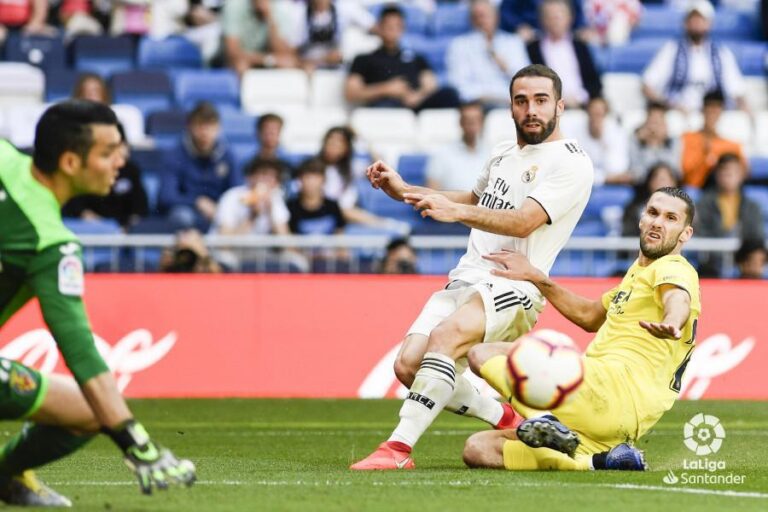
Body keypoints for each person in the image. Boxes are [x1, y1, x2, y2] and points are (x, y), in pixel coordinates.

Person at [350, 64, 594, 470]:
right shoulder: (503, 152)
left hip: (514, 282)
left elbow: (524, 221)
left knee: (445, 338)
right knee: (409, 366)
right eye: (521, 101)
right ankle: (507, 417)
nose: (531, 109)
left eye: (541, 100)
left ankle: (397, 449)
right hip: (467, 275)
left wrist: (457, 212)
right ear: (510, 107)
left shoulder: (572, 162)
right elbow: (474, 200)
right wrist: (405, 191)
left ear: (560, 106)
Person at [0, 100, 195, 506]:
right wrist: (137, 444)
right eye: (108, 153)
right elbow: (81, 353)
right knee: (96, 408)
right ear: (71, 162)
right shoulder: (50, 246)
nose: (121, 162)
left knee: (88, 410)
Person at [462, 186, 699, 472]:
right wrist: (536, 276)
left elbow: (678, 299)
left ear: (685, 234)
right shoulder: (638, 275)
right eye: (653, 213)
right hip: (618, 420)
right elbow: (589, 315)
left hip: (610, 388)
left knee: (483, 354)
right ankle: (598, 461)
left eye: (671, 218)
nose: (658, 222)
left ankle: (543, 418)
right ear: (641, 219)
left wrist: (672, 321)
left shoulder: (674, 267)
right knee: (479, 449)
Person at [344, 4, 459, 111]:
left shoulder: (417, 58)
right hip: (384, 104)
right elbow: (351, 93)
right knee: (386, 106)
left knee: (449, 95)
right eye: (389, 26)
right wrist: (386, 89)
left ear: (403, 28)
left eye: (397, 26)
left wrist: (417, 96)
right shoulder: (363, 59)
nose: (393, 30)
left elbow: (430, 85)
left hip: (414, 104)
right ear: (380, 27)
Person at [642, 0, 747, 113]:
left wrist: (746, 111)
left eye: (700, 19)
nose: (696, 23)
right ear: (685, 23)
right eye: (692, 19)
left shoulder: (721, 53)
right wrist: (670, 105)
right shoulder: (671, 49)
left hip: (711, 115)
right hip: (677, 115)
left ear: (709, 23)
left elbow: (737, 90)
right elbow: (647, 85)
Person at [159, 102, 239, 231]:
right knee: (182, 216)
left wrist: (220, 211)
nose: (204, 133)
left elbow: (236, 194)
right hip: (188, 212)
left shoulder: (228, 156)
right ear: (189, 126)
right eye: (200, 126)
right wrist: (197, 202)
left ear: (219, 128)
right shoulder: (174, 156)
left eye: (210, 126)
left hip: (219, 213)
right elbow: (166, 196)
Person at [62, 124, 149, 229]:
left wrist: (128, 228)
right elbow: (75, 205)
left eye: (118, 145)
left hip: (123, 231)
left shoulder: (131, 171)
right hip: (90, 230)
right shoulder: (85, 170)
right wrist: (92, 220)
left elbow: (139, 209)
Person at [445, 0, 530, 108]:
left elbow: (526, 80)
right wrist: (484, 98)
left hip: (510, 104)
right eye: (477, 16)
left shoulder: (513, 43)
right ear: (471, 19)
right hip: (476, 105)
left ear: (496, 17)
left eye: (485, 16)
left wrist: (505, 66)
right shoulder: (459, 45)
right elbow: (458, 84)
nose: (481, 21)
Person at [695, 153, 764, 277]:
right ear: (717, 174)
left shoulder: (752, 206)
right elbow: (701, 233)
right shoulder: (703, 203)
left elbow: (757, 236)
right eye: (725, 171)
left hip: (743, 262)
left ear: (742, 174)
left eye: (734, 171)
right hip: (712, 262)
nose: (729, 175)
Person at [525, 0, 602, 109]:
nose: (555, 21)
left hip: (584, 104)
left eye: (559, 16)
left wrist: (582, 97)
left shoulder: (580, 46)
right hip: (548, 107)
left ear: (570, 18)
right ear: (542, 20)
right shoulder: (533, 49)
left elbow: (594, 81)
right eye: (550, 17)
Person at [680, 90, 747, 188]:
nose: (712, 113)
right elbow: (686, 176)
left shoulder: (732, 145)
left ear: (721, 112)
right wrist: (704, 156)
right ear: (703, 110)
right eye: (709, 108)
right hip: (696, 190)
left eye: (716, 109)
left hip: (723, 191)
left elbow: (743, 173)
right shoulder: (687, 139)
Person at [212, 158, 290, 236]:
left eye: (273, 177)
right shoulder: (232, 197)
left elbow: (285, 240)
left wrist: (271, 212)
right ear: (250, 177)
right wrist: (252, 216)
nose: (268, 180)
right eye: (264, 174)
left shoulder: (275, 199)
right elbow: (225, 240)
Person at [222, 0, 300, 75]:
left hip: (263, 59)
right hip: (245, 60)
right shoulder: (234, 5)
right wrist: (268, 60)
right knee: (241, 65)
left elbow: (284, 53)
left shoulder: (280, 8)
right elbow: (233, 52)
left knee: (289, 64)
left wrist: (269, 18)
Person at [426, 101, 489, 191]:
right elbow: (432, 190)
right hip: (449, 200)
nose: (472, 124)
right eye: (468, 120)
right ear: (461, 122)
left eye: (476, 120)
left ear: (482, 122)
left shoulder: (493, 153)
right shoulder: (442, 153)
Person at [568, 96, 629, 184]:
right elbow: (574, 168)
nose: (595, 118)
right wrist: (604, 178)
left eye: (599, 114)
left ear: (606, 115)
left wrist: (602, 140)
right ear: (587, 113)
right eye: (592, 113)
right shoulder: (573, 128)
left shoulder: (616, 131)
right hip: (581, 182)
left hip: (607, 185)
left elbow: (618, 168)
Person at [627, 101, 681, 185]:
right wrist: (650, 145)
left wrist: (659, 143)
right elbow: (636, 173)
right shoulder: (636, 140)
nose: (654, 128)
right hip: (643, 187)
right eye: (652, 122)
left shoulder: (673, 141)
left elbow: (675, 171)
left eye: (658, 122)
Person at [287, 158, 345, 235]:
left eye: (315, 178)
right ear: (300, 180)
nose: (311, 182)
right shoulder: (291, 207)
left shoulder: (333, 206)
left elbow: (339, 235)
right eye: (307, 177)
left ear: (323, 179)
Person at [621, 162, 680, 237]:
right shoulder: (634, 209)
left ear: (674, 183)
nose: (661, 183)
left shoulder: (685, 209)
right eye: (657, 179)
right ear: (649, 182)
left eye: (664, 179)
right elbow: (628, 237)